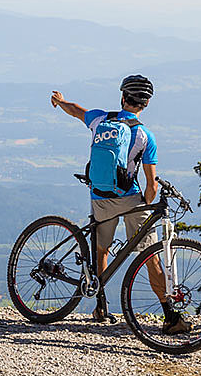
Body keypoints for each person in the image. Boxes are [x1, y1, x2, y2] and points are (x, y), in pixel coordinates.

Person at [50, 75, 191, 334]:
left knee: (101, 250)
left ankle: (100, 307)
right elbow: (151, 185)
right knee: (151, 258)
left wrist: (60, 102)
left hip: (100, 197)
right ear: (146, 104)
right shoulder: (145, 136)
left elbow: (76, 111)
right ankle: (171, 317)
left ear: (123, 98)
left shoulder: (100, 119)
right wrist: (146, 206)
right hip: (130, 199)